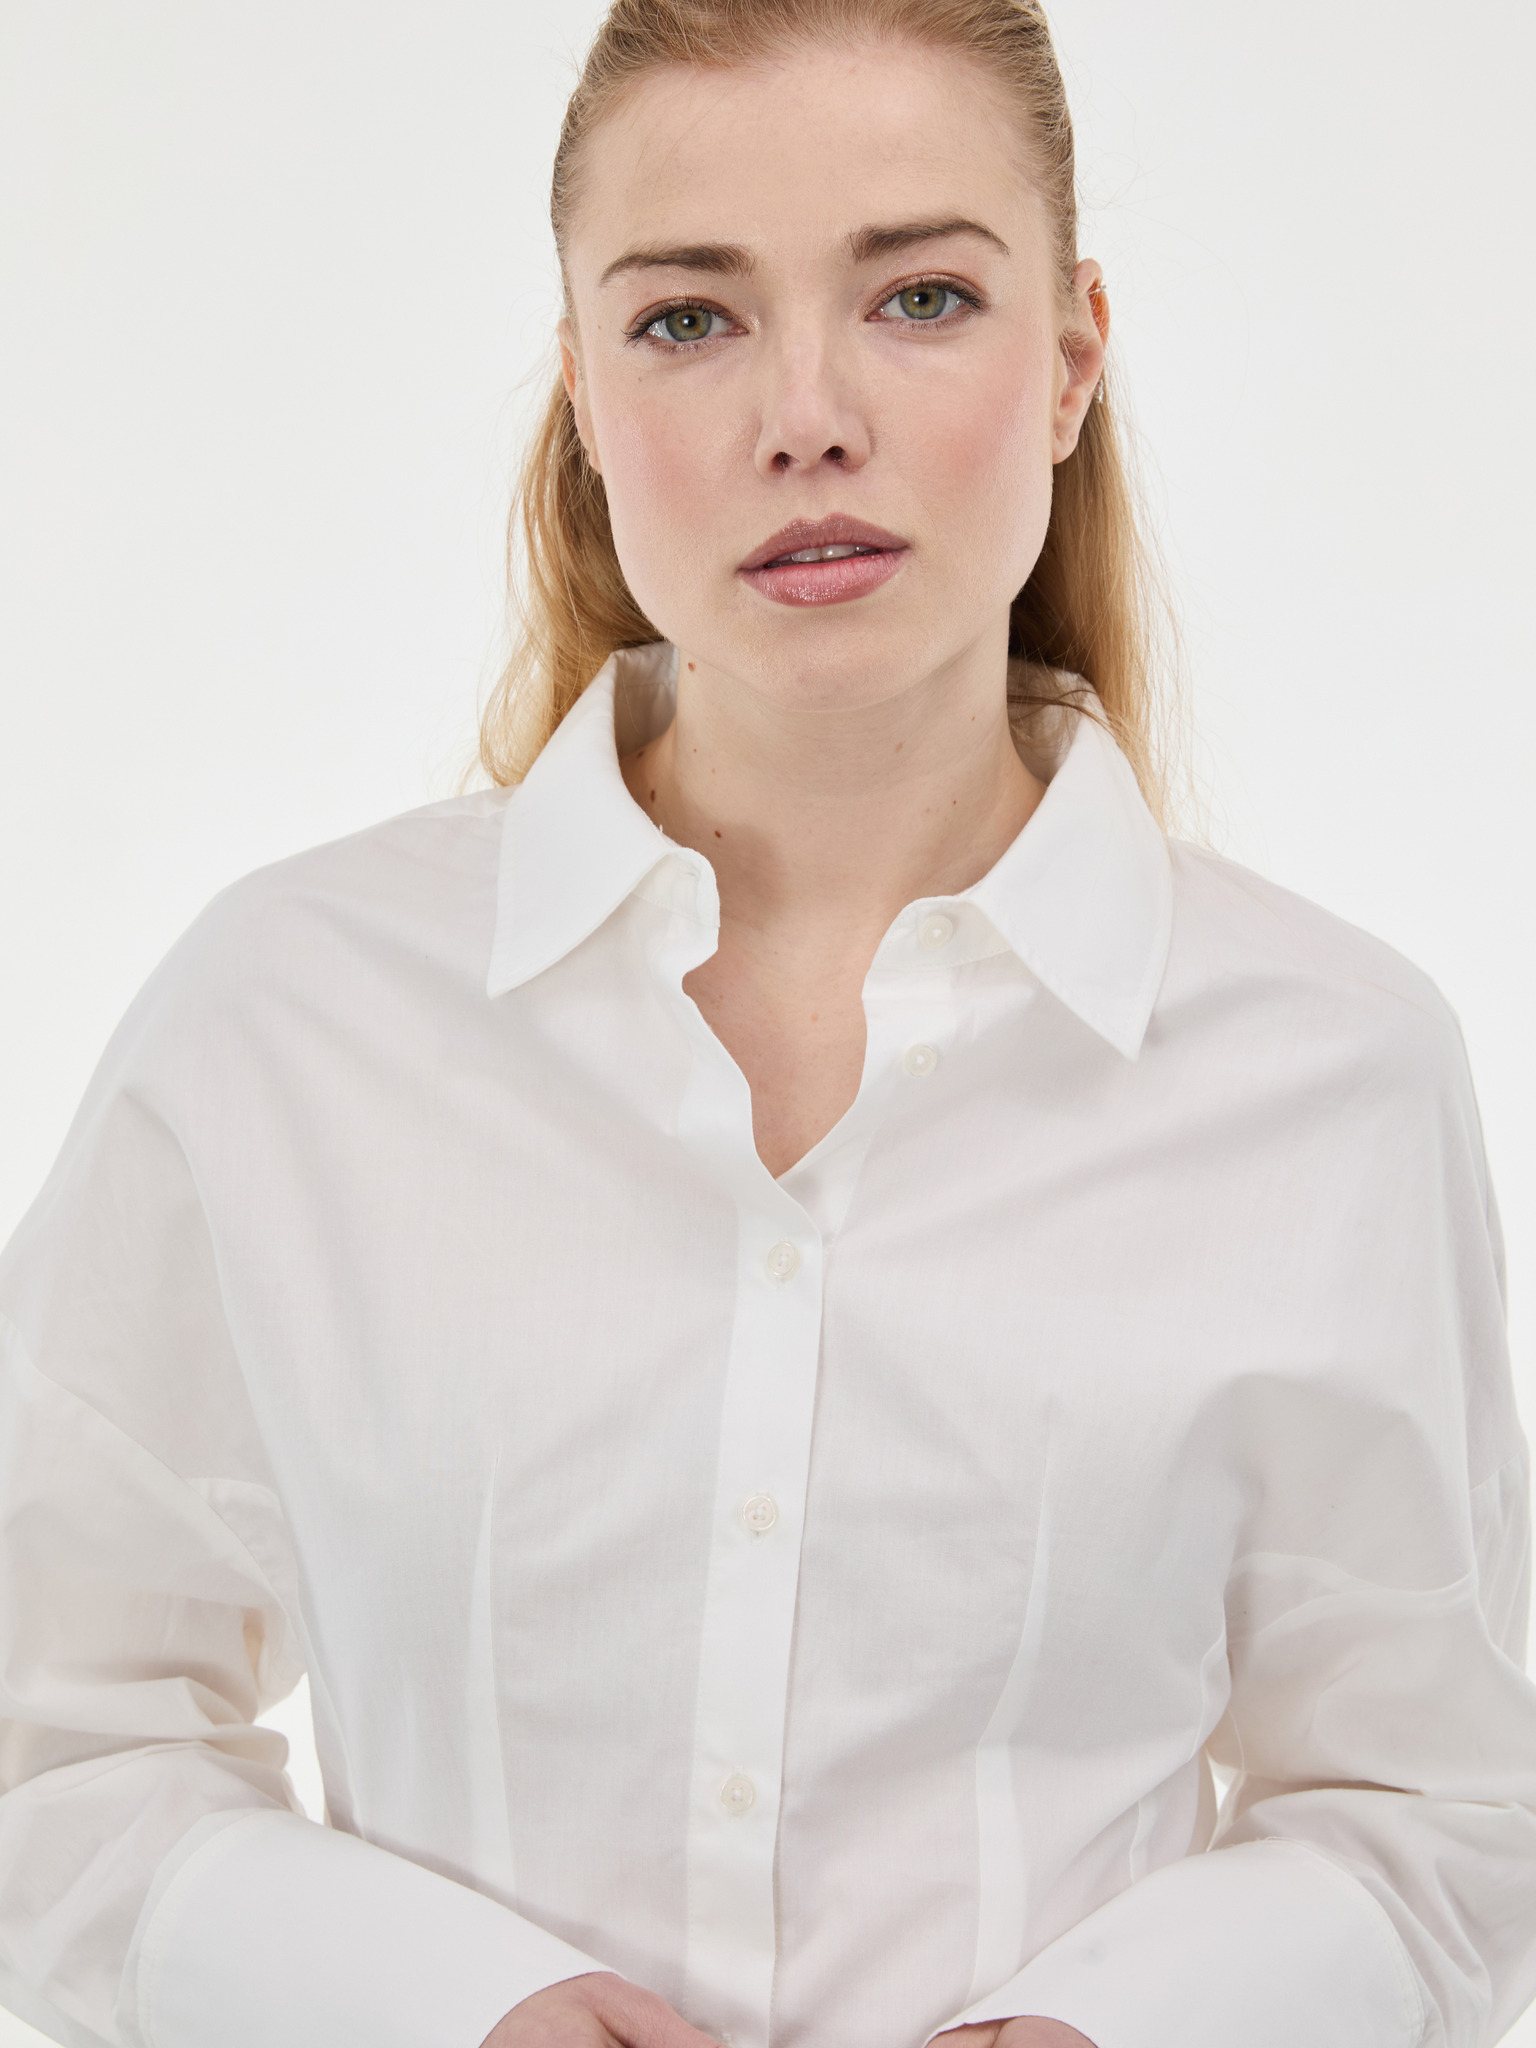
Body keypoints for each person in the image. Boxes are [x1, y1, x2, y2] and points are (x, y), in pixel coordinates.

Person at [1, 2, 1533, 2045]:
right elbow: (48, 1738)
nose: (806, 418)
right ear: (582, 388)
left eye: (921, 297)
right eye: (687, 320)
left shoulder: (1335, 1074)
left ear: (1073, 358)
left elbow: (1443, 1817)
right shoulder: (286, 1021)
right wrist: (448, 2011)